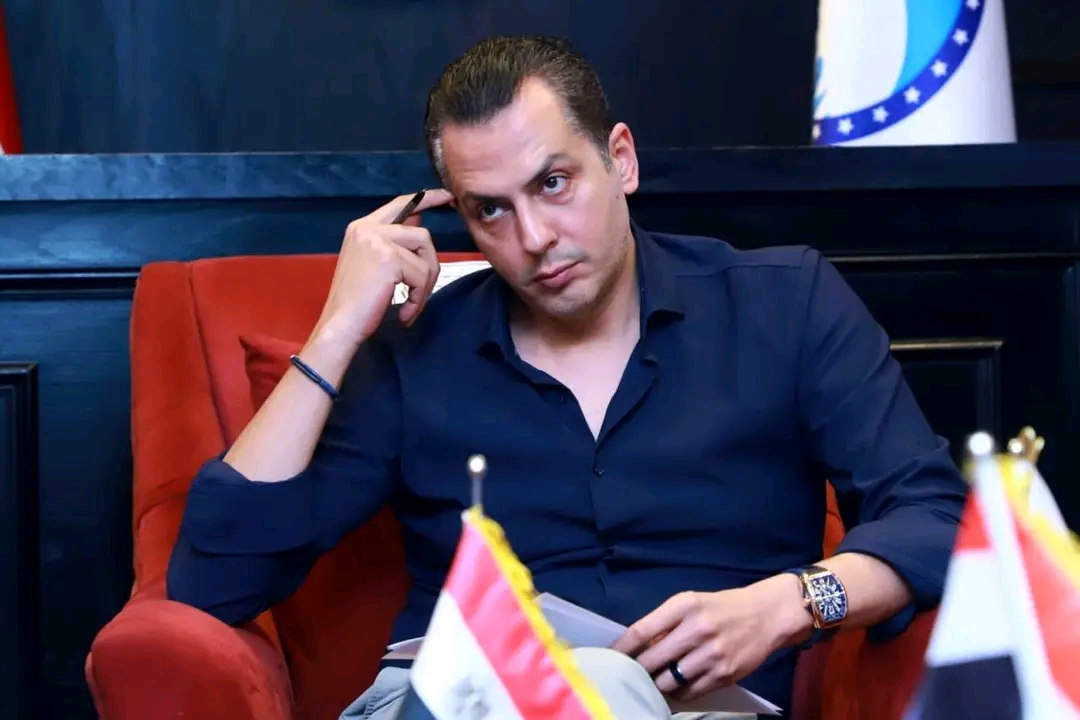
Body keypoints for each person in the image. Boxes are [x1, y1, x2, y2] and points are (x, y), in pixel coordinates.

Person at [167, 35, 968, 718]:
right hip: (450, 702)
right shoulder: (418, 349)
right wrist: (339, 327)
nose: (534, 237)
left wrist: (792, 602)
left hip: (698, 706)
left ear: (621, 159)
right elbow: (214, 580)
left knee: (604, 686)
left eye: (553, 183)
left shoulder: (784, 304)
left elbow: (936, 517)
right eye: (491, 210)